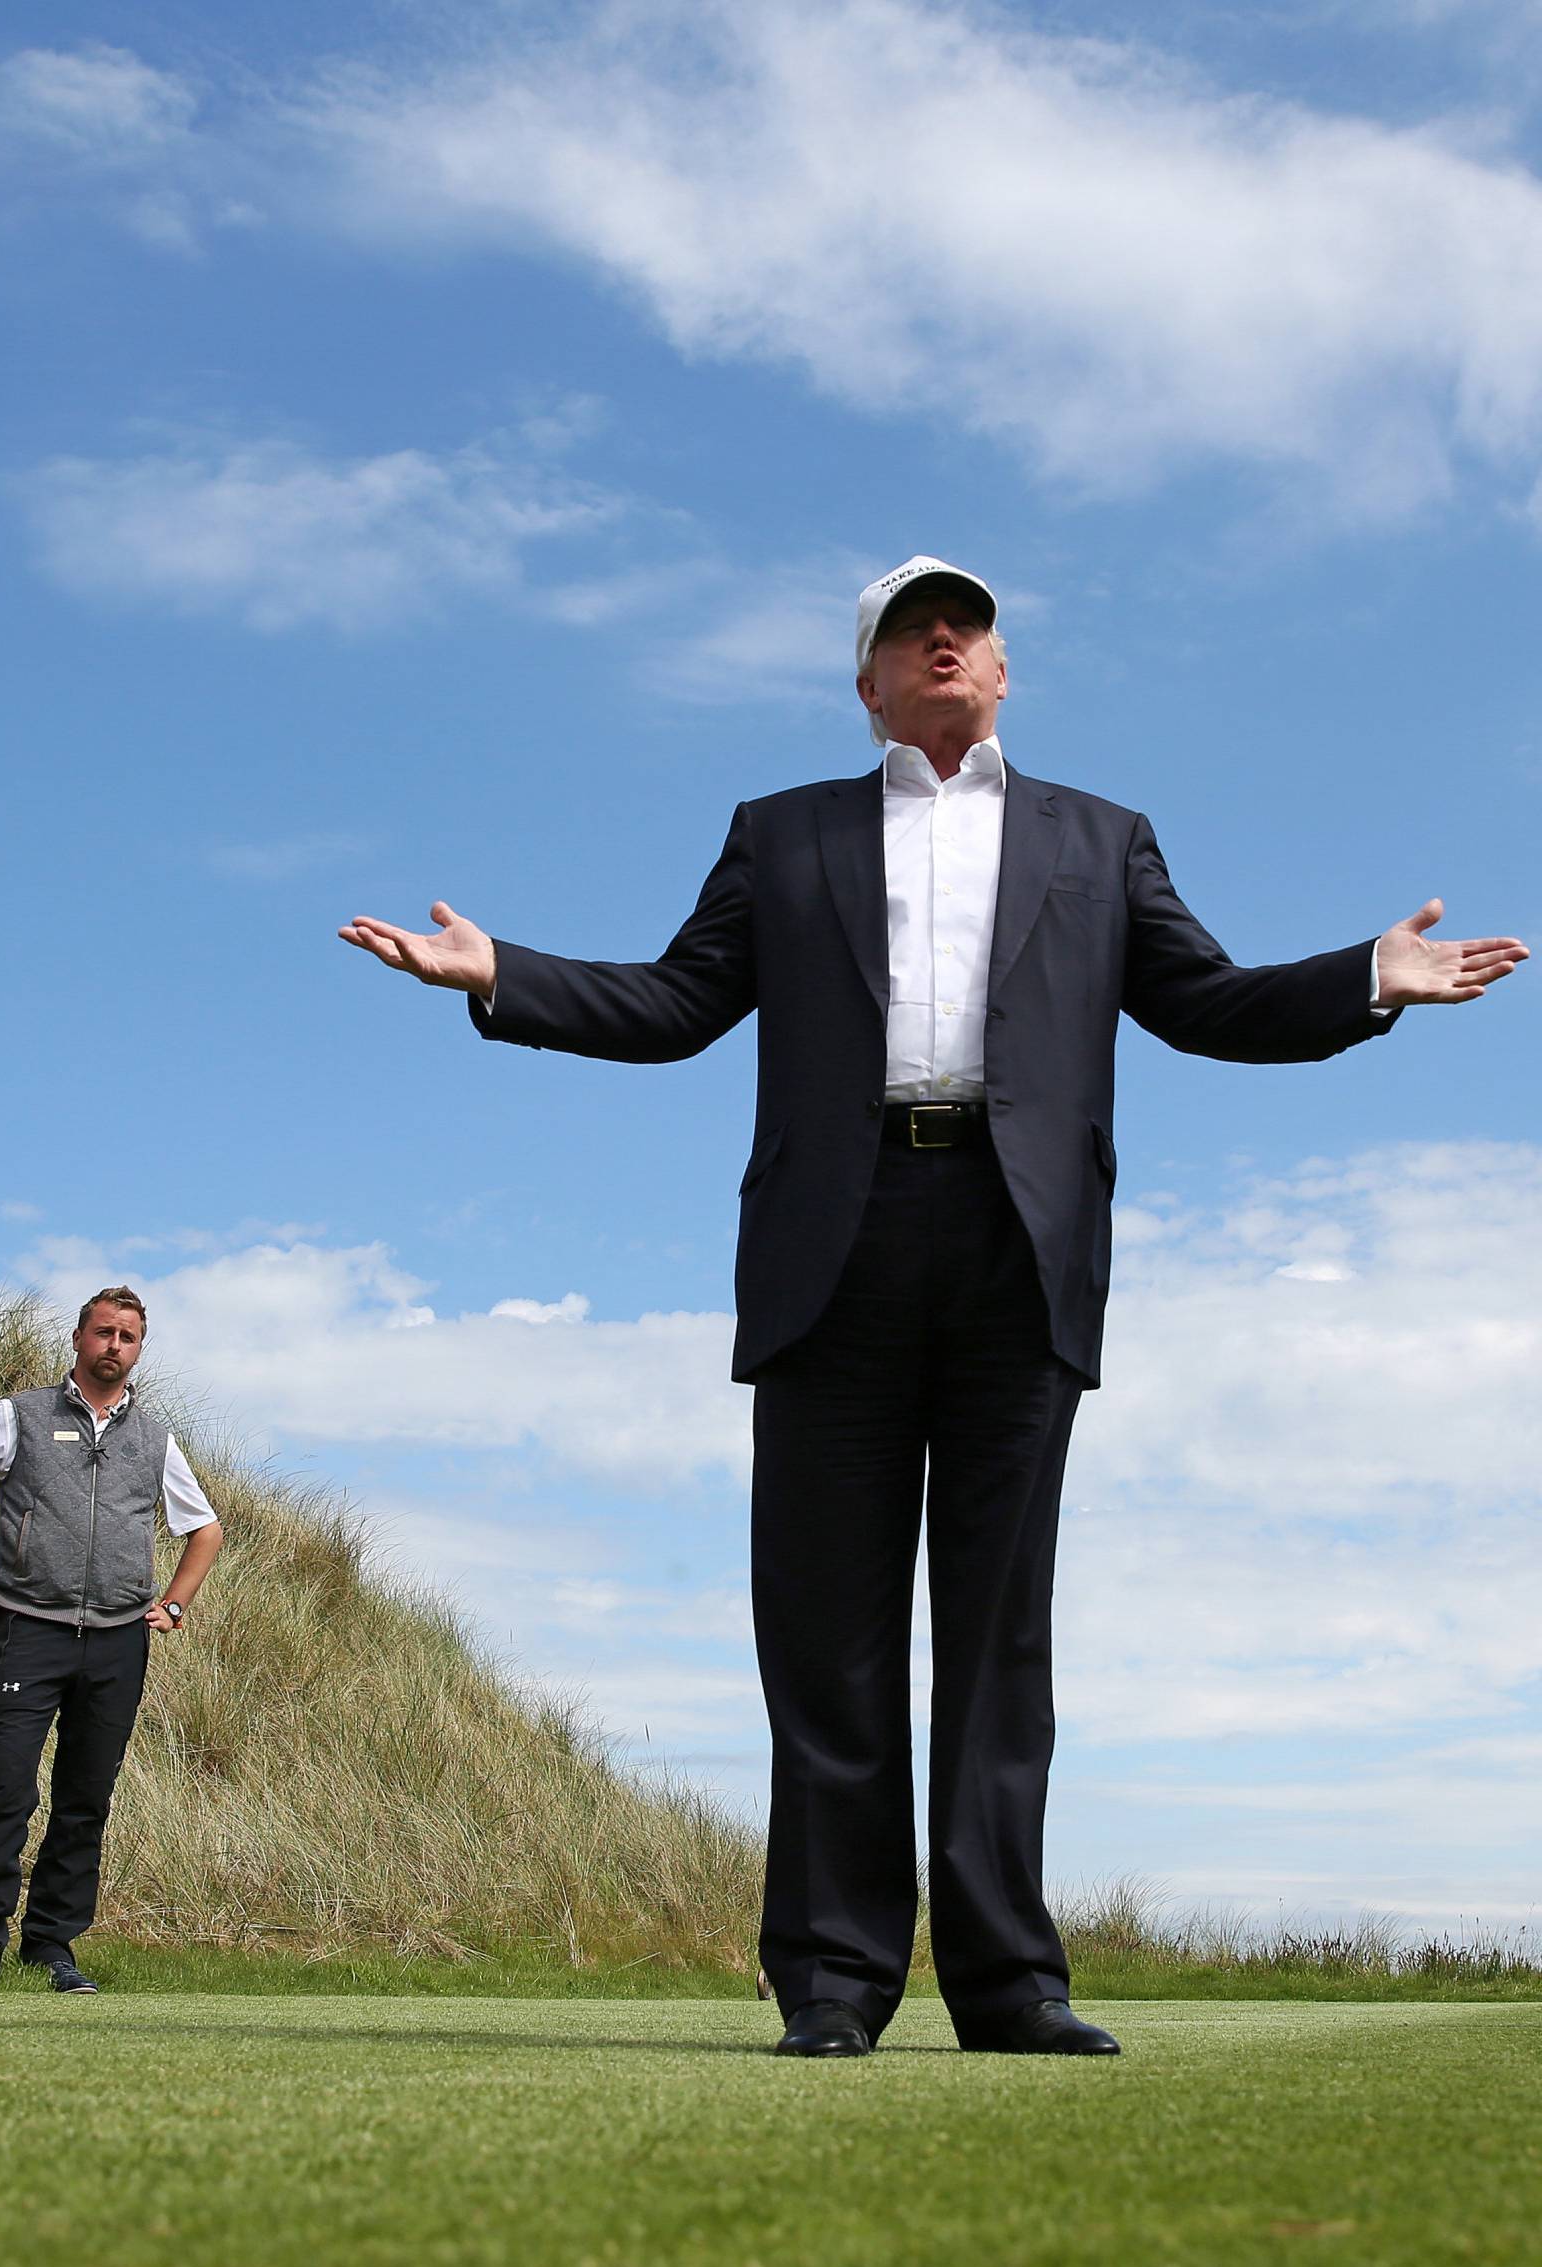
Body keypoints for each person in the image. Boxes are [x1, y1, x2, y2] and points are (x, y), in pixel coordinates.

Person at [340, 554, 1530, 2060]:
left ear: (1004, 668)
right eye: (912, 629)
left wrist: (1370, 975)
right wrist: (498, 970)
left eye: (964, 624)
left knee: (997, 1636)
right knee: (826, 1634)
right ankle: (835, 1983)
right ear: (870, 683)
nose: (945, 639)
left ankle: (1009, 1984)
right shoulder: (785, 835)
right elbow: (676, 1004)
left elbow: (1210, 1004)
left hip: (1018, 1244)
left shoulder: (1102, 840)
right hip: (836, 1243)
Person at [0, 1285, 223, 1993]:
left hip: (119, 1639)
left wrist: (174, 1605)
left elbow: (204, 1528)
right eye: (103, 1333)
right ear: (79, 1339)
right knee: (4, 1787)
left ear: (139, 1349)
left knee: (85, 1796)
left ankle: (53, 1945)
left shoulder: (155, 1439)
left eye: (128, 1337)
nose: (113, 1346)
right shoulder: (20, 1416)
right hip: (29, 1627)